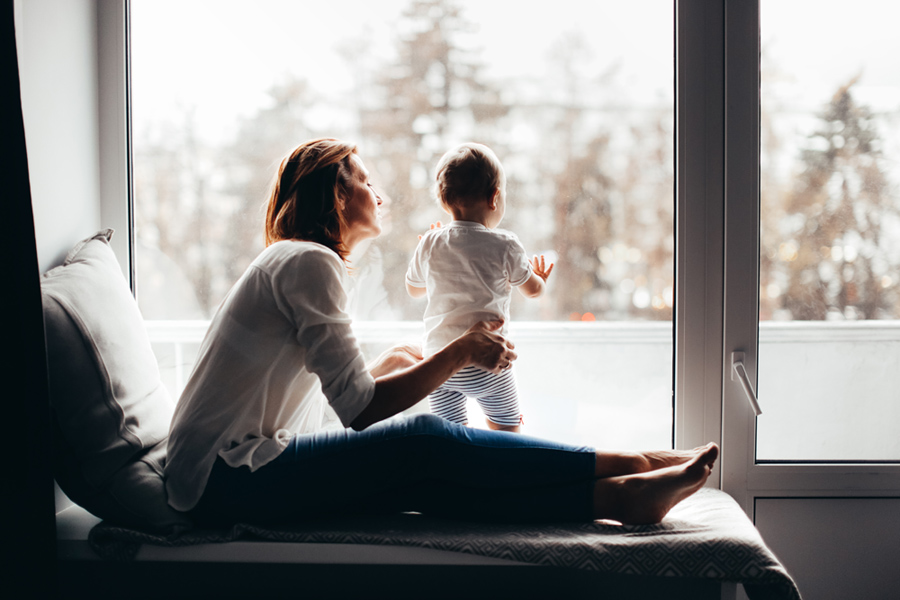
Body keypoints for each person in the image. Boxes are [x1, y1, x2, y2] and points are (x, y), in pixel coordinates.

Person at [164, 137, 718, 528]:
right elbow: (360, 411)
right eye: (366, 181)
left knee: (425, 486)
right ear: (337, 195)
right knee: (426, 436)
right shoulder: (310, 262)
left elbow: (321, 399)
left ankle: (620, 499)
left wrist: (382, 367)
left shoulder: (297, 261)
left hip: (231, 472)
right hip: (226, 478)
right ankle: (635, 462)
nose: (378, 194)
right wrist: (460, 349)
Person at [406, 142, 552, 433]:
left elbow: (414, 290)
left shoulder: (431, 242)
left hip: (439, 366)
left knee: (451, 440)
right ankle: (504, 472)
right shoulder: (505, 243)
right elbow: (532, 291)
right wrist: (538, 278)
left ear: (444, 200)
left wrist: (430, 254)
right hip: (489, 364)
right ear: (494, 197)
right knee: (508, 434)